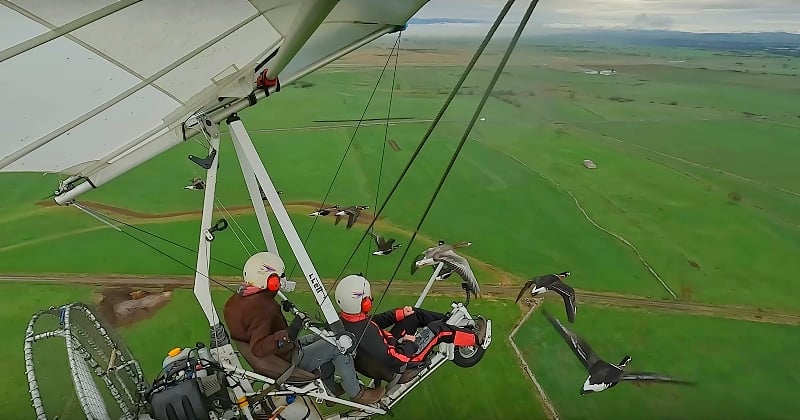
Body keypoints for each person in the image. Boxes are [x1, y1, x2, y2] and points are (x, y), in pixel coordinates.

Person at [223, 252, 385, 405]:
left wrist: (282, 309)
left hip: (281, 354)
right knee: (338, 345)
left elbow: (257, 326)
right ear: (271, 281)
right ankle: (357, 394)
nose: (280, 281)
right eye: (278, 278)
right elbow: (259, 348)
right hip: (288, 360)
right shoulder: (260, 308)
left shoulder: (238, 300)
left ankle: (332, 391)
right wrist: (290, 332)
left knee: (326, 336)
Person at [333, 274, 488, 383]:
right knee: (438, 330)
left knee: (413, 314)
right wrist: (409, 344)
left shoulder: (348, 322)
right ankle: (476, 339)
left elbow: (375, 322)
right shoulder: (367, 334)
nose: (370, 300)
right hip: (402, 365)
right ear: (363, 302)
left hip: (389, 352)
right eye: (368, 298)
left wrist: (398, 314)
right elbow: (395, 359)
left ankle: (450, 322)